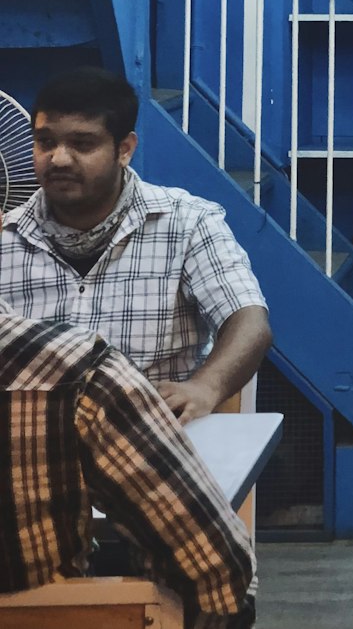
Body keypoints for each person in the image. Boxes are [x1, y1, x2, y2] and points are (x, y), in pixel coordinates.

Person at [0, 66, 272, 424]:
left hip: (152, 441)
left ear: (124, 149)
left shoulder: (187, 223)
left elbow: (249, 320)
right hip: (35, 449)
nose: (59, 158)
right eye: (45, 142)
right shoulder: (7, 238)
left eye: (82, 144)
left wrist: (205, 387)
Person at [0, 309, 256, 628]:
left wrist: (206, 386)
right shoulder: (78, 371)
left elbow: (248, 316)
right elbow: (217, 567)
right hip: (136, 447)